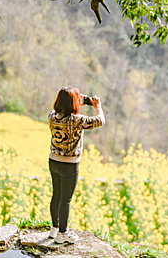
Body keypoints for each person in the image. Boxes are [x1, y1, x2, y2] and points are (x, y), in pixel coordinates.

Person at [47, 87, 105, 244]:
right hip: (69, 165)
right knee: (66, 200)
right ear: (74, 103)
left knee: (56, 195)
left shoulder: (51, 117)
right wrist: (97, 106)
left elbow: (63, 110)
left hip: (53, 161)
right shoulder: (77, 120)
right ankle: (63, 234)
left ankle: (54, 230)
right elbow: (100, 121)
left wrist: (74, 100)